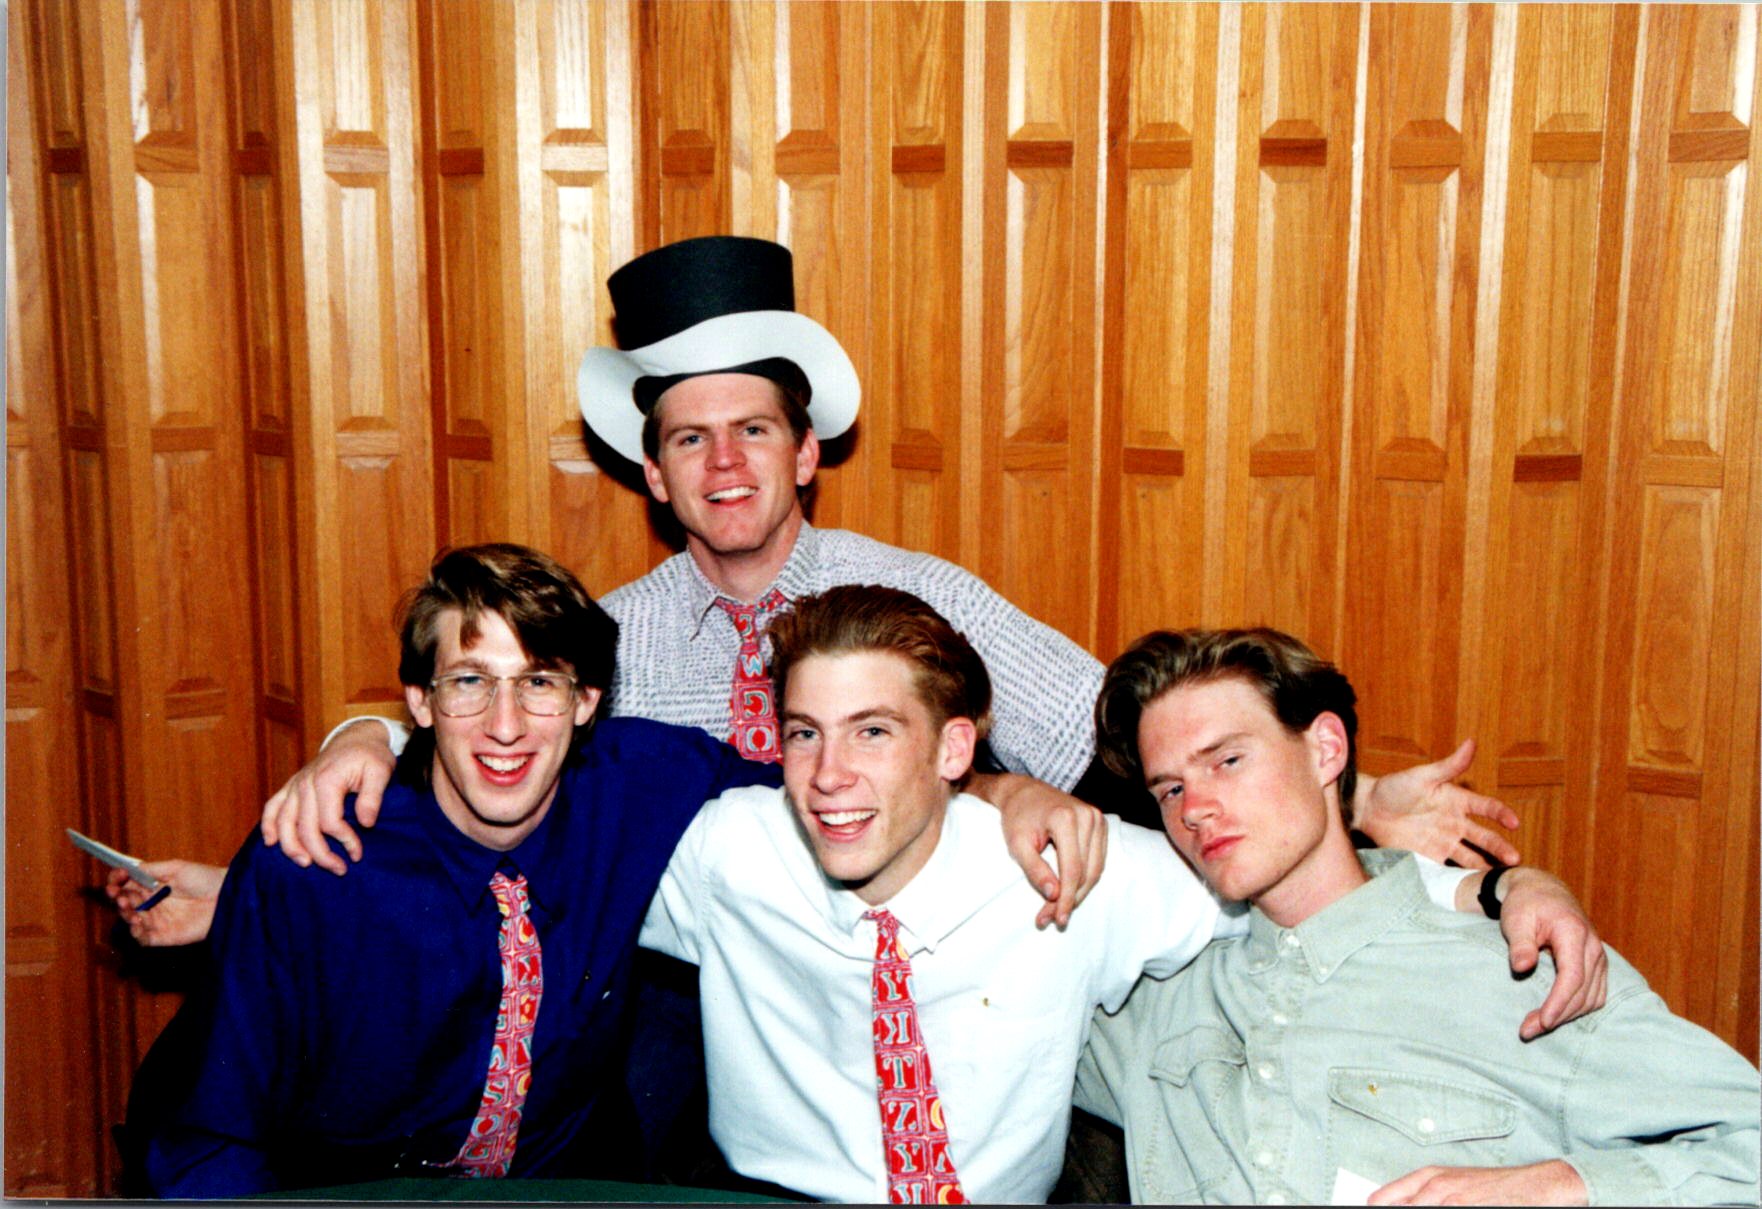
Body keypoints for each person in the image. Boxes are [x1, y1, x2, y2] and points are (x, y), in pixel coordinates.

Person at [632, 587, 1604, 1203]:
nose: (829, 774)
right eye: (804, 733)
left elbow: (1291, 888)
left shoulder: (1077, 870)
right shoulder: (732, 851)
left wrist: (1500, 887)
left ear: (955, 748)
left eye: (873, 732)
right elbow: (566, 860)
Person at [1075, 628, 1760, 1206]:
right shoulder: (1149, 1005)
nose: (1195, 808)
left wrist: (1555, 1186)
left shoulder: (1523, 976)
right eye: (1171, 789)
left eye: (1227, 760)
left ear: (1325, 750)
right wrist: (1020, 794)